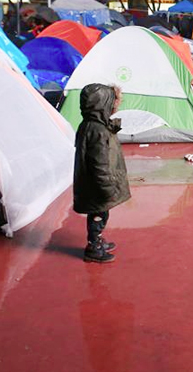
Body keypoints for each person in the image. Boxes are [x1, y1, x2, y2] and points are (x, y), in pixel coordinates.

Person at [73, 83, 131, 263]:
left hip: (92, 182)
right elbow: (100, 163)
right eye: (114, 102)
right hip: (98, 184)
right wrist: (108, 188)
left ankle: (96, 240)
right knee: (99, 214)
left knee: (98, 212)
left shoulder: (91, 125)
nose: (117, 105)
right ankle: (93, 247)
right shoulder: (99, 131)